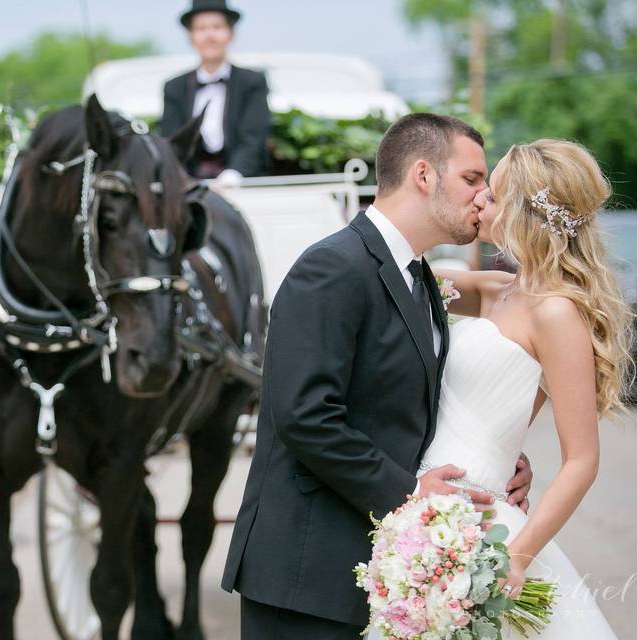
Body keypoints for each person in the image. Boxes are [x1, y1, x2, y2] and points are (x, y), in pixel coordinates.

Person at [221, 113, 537, 639]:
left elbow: (403, 400)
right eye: (472, 178)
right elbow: (304, 415)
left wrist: (496, 455)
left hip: (380, 575)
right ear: (423, 175)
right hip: (306, 578)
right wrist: (411, 491)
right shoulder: (332, 268)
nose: (484, 196)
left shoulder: (418, 277)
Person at [390, 138, 634, 639]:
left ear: (526, 212)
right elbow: (399, 277)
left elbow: (582, 460)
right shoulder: (496, 289)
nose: (479, 200)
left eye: (494, 194)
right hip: (423, 505)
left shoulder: (556, 313)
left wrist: (517, 559)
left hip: (484, 528)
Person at [159, 0, 271, 186]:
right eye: (201, 28)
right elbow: (172, 141)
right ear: (191, 36)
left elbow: (254, 138)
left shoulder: (252, 82)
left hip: (243, 184)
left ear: (231, 33)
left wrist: (233, 176)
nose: (210, 35)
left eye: (217, 27)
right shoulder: (174, 87)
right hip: (188, 187)